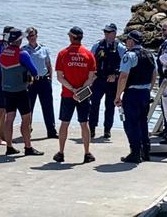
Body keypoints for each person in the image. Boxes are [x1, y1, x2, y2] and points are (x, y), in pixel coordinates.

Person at [53, 27, 97, 163]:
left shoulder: (63, 54)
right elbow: (91, 78)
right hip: (83, 95)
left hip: (67, 94)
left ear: (71, 37)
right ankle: (87, 153)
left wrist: (72, 90)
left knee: (64, 123)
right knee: (84, 124)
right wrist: (80, 90)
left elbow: (60, 77)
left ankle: (61, 152)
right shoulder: (89, 54)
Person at [0, 28, 44, 156]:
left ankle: (9, 146)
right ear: (18, 40)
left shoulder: (2, 53)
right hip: (20, 90)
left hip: (6, 89)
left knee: (9, 118)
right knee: (26, 119)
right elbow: (34, 71)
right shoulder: (22, 54)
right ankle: (28, 147)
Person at [114, 30, 157, 163]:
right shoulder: (150, 55)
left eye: (127, 39)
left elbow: (123, 76)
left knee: (130, 124)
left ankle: (135, 152)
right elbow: (154, 74)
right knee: (142, 122)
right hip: (144, 93)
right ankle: (146, 151)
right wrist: (148, 89)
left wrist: (118, 95)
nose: (126, 42)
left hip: (132, 93)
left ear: (132, 41)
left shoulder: (130, 55)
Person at [89, 23, 126, 139]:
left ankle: (107, 130)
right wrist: (91, 76)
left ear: (114, 33)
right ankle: (92, 129)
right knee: (94, 104)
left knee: (110, 106)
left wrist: (115, 75)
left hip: (112, 81)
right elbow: (90, 61)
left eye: (109, 32)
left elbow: (125, 64)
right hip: (98, 80)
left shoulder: (120, 47)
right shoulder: (97, 45)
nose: (106, 34)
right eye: (105, 32)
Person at [23, 27, 58, 139]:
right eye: (29, 36)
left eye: (33, 35)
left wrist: (50, 79)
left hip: (43, 80)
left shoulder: (44, 49)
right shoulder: (23, 50)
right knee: (29, 107)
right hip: (30, 82)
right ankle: (28, 128)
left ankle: (51, 131)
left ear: (36, 35)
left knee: (48, 106)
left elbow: (48, 65)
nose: (31, 38)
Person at [155, 22, 167, 138]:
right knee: (164, 105)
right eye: (163, 30)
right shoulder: (164, 43)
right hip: (162, 77)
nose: (163, 32)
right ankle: (166, 128)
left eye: (165, 30)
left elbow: (164, 59)